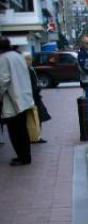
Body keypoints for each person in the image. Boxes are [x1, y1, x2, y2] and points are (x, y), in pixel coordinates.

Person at [0, 37, 34, 166]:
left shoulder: (3, 59)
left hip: (12, 100)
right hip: (23, 97)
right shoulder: (18, 56)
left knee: (14, 131)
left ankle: (22, 157)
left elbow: (3, 80)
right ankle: (26, 156)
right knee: (22, 130)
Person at [24, 53, 50, 143]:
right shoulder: (26, 71)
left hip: (35, 96)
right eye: (28, 59)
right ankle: (34, 136)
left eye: (30, 59)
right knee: (36, 116)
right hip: (32, 97)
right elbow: (30, 85)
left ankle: (37, 135)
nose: (30, 61)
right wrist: (38, 88)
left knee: (39, 116)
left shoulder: (31, 69)